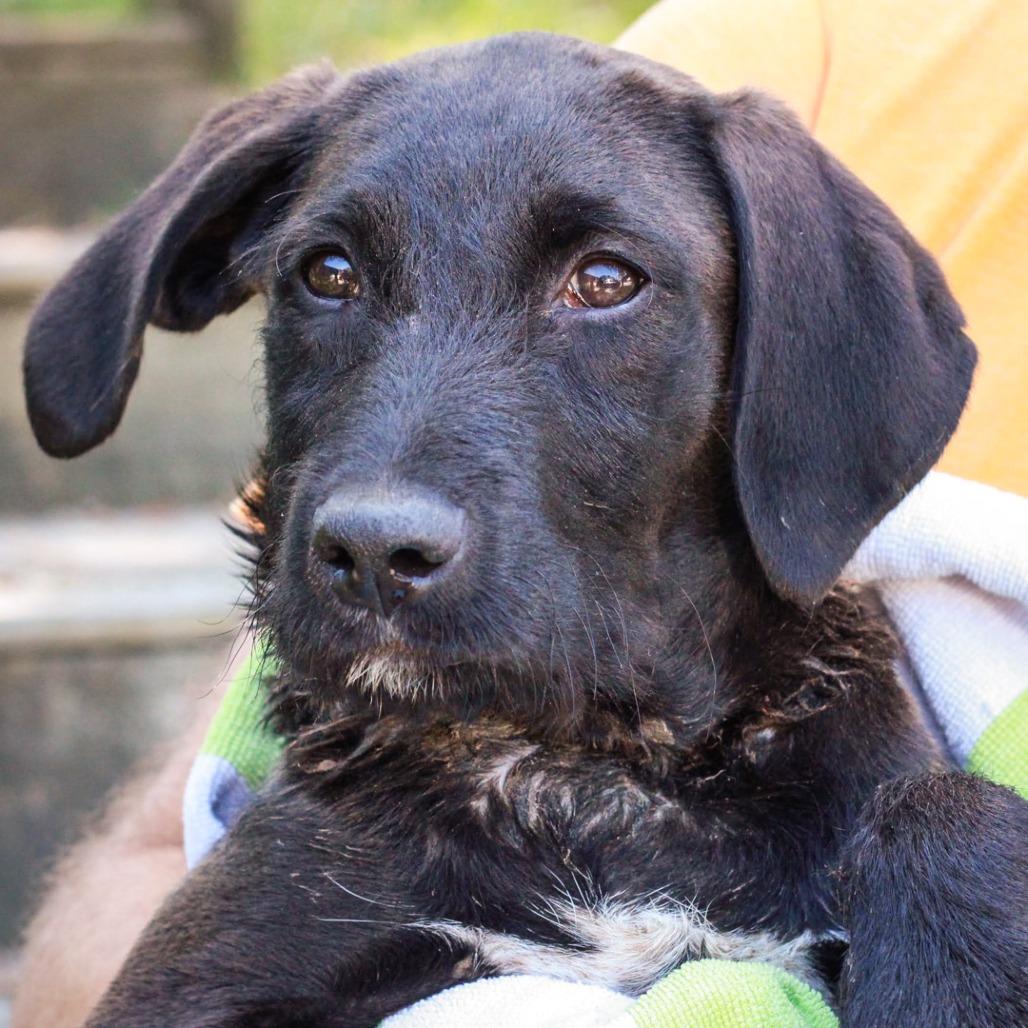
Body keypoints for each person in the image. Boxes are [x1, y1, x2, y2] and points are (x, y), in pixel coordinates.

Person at [13, 0, 1026, 1023]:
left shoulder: (907, 830)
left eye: (603, 281)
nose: (384, 511)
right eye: (330, 277)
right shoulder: (341, 836)